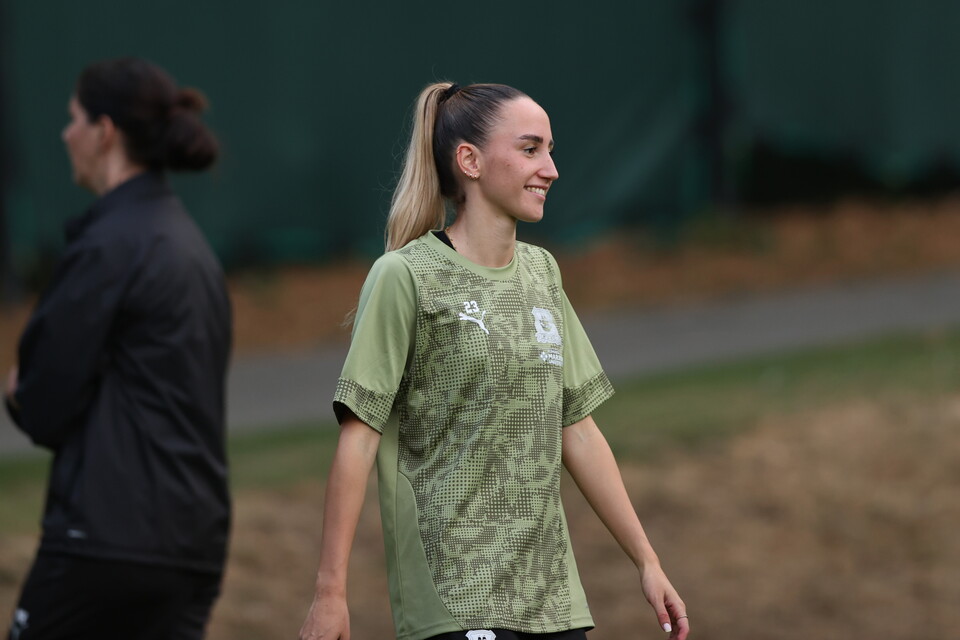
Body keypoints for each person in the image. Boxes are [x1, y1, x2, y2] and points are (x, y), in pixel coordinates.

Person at [298, 82, 690, 640]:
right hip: (455, 599)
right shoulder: (405, 276)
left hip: (553, 602)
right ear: (470, 160)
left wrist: (647, 562)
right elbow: (358, 439)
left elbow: (577, 429)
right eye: (531, 150)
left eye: (551, 151)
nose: (550, 169)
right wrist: (330, 593)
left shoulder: (543, 274)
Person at [4, 57, 232, 640]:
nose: (64, 133)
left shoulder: (107, 244)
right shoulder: (193, 250)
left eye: (73, 117)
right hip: (194, 545)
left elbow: (43, 402)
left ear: (104, 132)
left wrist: (20, 390)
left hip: (103, 542)